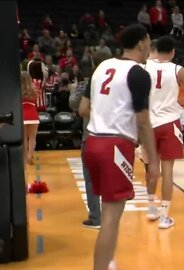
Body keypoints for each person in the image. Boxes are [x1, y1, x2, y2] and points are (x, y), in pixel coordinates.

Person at [83, 24, 160, 270]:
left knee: (108, 213)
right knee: (111, 218)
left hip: (92, 141)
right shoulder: (138, 73)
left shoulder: (102, 67)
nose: (150, 46)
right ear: (140, 43)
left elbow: (83, 109)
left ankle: (107, 263)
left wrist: (107, 113)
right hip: (115, 146)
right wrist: (153, 160)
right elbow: (143, 121)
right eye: (148, 42)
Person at [143, 35, 184, 229]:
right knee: (168, 172)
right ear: (173, 52)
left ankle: (151, 207)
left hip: (149, 123)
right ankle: (164, 217)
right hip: (169, 123)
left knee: (151, 167)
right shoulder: (178, 70)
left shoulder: (144, 66)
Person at [70, 52, 111, 230]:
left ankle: (96, 217)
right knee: (111, 177)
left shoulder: (89, 82)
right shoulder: (118, 82)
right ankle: (112, 216)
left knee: (91, 178)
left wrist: (74, 89)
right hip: (114, 135)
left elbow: (74, 104)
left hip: (92, 135)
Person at [21, 71, 39, 165]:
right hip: (33, 113)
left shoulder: (18, 89)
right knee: (32, 137)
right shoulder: (34, 88)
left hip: (23, 114)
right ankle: (30, 156)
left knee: (23, 137)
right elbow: (37, 102)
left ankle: (25, 156)